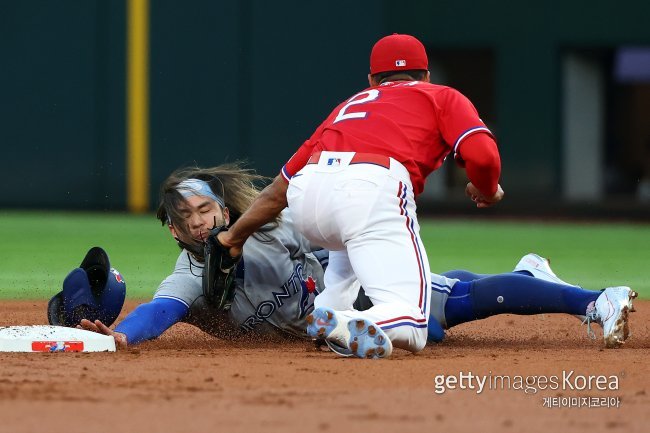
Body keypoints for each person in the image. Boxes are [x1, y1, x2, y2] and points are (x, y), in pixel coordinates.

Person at [77, 165, 636, 350]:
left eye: (204, 209)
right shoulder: (191, 275)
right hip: (331, 332)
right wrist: (125, 334)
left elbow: (337, 232)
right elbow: (162, 311)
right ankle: (523, 274)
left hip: (349, 296)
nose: (199, 221)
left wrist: (354, 280)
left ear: (222, 208)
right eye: (185, 218)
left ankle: (592, 300)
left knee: (451, 306)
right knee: (437, 326)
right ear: (175, 232)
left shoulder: (273, 223)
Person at [215, 33, 504, 359]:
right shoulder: (441, 96)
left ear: (371, 80)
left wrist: (232, 238)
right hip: (368, 189)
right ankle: (352, 321)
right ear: (426, 76)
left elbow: (276, 192)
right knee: (413, 321)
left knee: (349, 243)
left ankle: (328, 311)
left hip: (308, 192)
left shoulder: (348, 107)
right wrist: (487, 187)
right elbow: (483, 157)